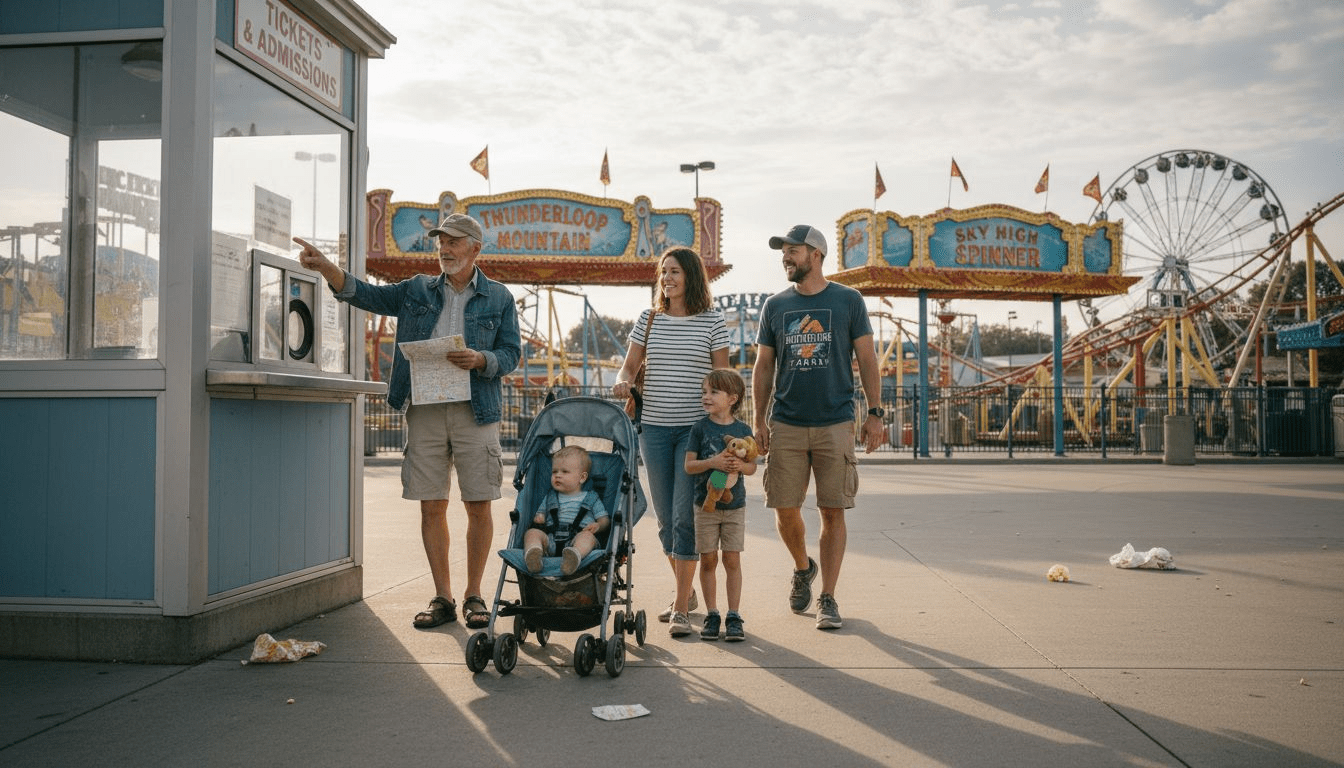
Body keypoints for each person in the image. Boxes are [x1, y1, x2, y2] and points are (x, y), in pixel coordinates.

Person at [293, 213, 521, 631]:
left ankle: (474, 595)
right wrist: (328, 268)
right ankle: (443, 597)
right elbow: (366, 295)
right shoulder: (416, 289)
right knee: (431, 504)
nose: (444, 250)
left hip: (477, 409)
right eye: (440, 243)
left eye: (453, 243)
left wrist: (481, 359)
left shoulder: (500, 298)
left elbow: (511, 354)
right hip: (425, 408)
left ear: (475, 249)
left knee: (478, 504)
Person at [753, 224, 884, 631]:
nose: (785, 259)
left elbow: (866, 358)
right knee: (784, 507)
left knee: (833, 511)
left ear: (816, 254)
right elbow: (764, 366)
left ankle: (828, 596)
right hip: (787, 422)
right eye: (783, 253)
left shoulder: (848, 300)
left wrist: (875, 413)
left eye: (792, 251)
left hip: (835, 421)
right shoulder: (774, 306)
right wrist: (757, 418)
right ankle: (801, 566)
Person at [612, 247, 730, 638]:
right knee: (664, 519)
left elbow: (723, 376)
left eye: (675, 272)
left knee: (684, 516)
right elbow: (630, 364)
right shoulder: (649, 319)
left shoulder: (713, 322)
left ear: (692, 276)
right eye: (663, 273)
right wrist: (622, 379)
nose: (667, 279)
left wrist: (725, 424)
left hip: (695, 431)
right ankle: (688, 591)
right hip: (655, 428)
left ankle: (680, 606)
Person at [684, 368, 756, 642]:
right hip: (705, 507)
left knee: (732, 559)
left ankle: (734, 614)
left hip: (735, 506)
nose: (706, 396)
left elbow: (752, 467)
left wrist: (741, 465)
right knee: (709, 559)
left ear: (733, 398)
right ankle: (712, 613)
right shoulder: (700, 428)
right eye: (704, 391)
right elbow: (689, 465)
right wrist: (713, 463)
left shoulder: (743, 430)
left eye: (714, 392)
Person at [523, 445, 609, 576]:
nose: (557, 475)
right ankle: (534, 553)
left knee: (587, 537)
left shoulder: (592, 498)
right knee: (532, 533)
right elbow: (539, 515)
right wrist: (539, 518)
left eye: (564, 472)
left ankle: (574, 556)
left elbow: (604, 520)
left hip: (578, 538)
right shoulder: (550, 497)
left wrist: (599, 525)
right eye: (554, 472)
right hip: (551, 540)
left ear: (582, 478)